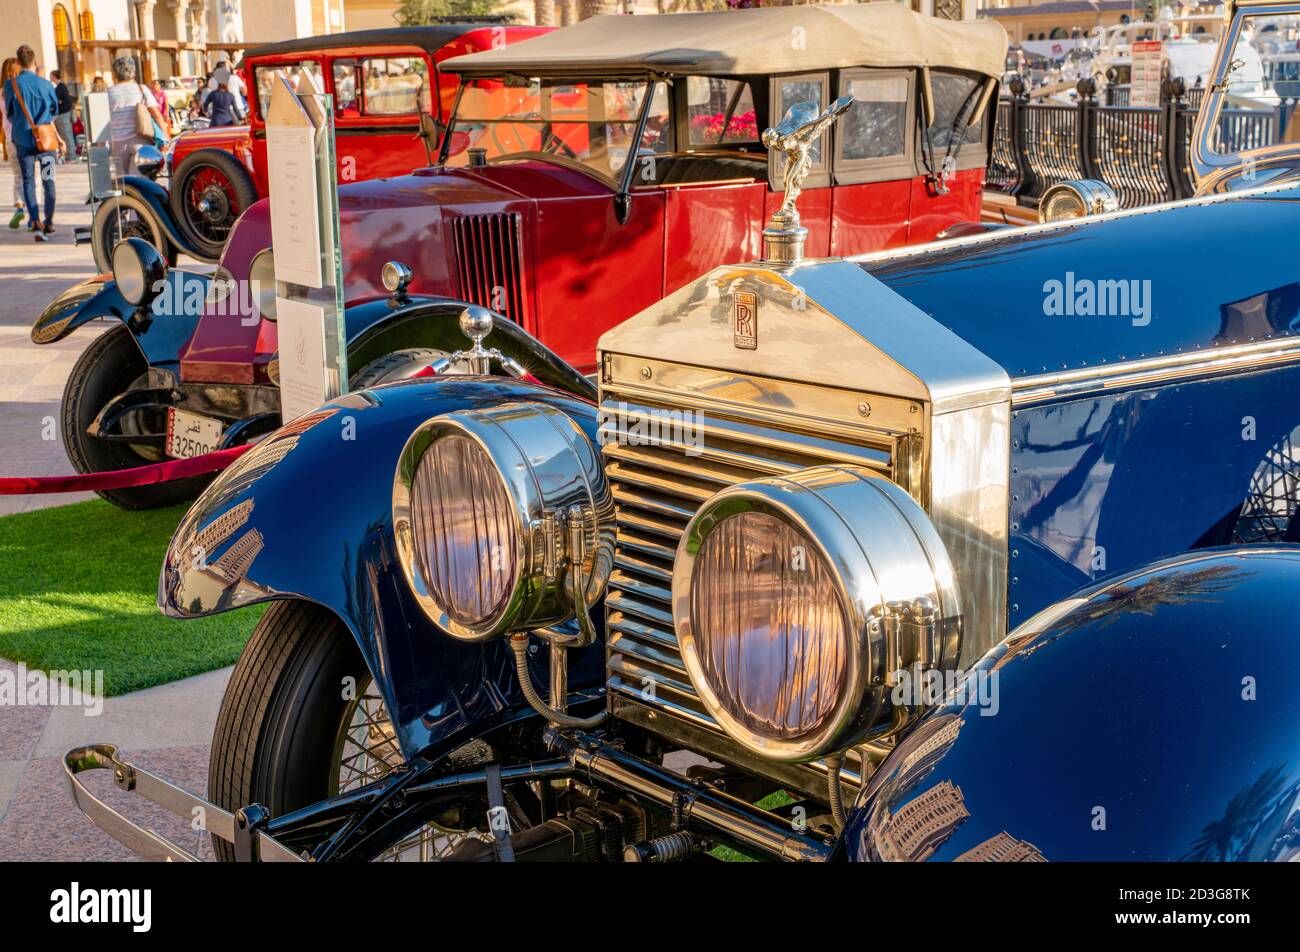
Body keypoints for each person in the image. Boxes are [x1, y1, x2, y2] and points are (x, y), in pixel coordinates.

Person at [3, 45, 64, 241]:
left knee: (28, 181)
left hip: (23, 140)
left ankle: (36, 222)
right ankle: (49, 222)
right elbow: (54, 111)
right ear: (35, 62)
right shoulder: (46, 84)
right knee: (48, 181)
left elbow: (10, 114)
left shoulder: (11, 85)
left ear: (19, 63)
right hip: (46, 141)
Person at [105, 56, 169, 176]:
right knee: (141, 178)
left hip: (117, 143)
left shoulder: (108, 93)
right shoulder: (141, 89)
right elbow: (157, 116)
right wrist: (165, 139)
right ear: (133, 73)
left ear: (115, 74)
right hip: (140, 140)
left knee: (123, 180)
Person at [0, 57, 25, 228]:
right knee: (32, 176)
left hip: (10, 139)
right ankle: (33, 216)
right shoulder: (21, 89)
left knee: (18, 175)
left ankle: (19, 207)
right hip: (25, 137)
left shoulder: (1, 92)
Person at [51, 69, 74, 164]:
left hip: (62, 114)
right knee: (67, 134)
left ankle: (71, 156)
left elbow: (55, 101)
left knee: (66, 135)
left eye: (51, 75)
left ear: (54, 76)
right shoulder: (62, 86)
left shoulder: (59, 88)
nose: (50, 77)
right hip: (66, 113)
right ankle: (70, 156)